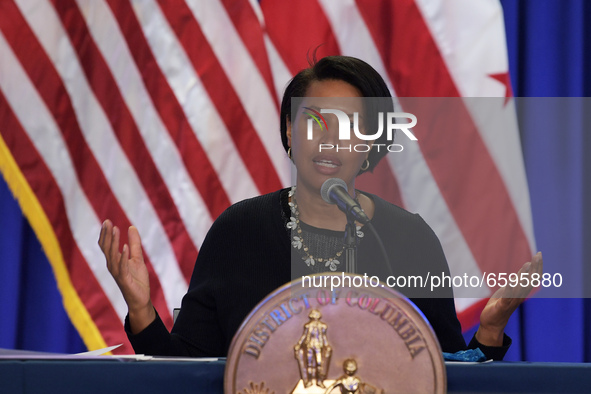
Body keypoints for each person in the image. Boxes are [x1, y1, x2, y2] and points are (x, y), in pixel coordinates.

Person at [98, 55, 542, 360]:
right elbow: (187, 369)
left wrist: (489, 331)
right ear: (290, 131)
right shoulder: (240, 230)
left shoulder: (406, 238)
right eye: (314, 121)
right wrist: (141, 310)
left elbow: (444, 371)